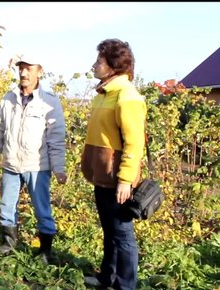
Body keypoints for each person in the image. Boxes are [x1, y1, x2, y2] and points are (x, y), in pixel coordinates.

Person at [0, 54, 67, 265]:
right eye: (21, 68)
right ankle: (8, 243)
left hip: (37, 166)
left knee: (42, 208)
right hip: (10, 164)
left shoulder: (49, 102)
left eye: (29, 68)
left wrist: (59, 168)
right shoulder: (7, 99)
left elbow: (56, 138)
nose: (24, 73)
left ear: (39, 71)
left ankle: (46, 251)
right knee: (6, 205)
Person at [81, 39, 146, 290]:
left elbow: (134, 142)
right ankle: (106, 277)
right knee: (109, 230)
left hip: (117, 178)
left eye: (99, 61)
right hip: (102, 175)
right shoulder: (104, 93)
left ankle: (125, 285)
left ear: (113, 65)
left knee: (122, 235)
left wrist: (126, 180)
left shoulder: (127, 96)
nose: (94, 65)